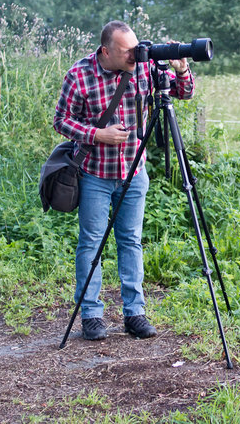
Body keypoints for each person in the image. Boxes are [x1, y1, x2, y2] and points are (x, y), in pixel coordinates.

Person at [53, 20, 194, 340]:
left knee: (130, 241)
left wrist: (182, 68)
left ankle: (135, 313)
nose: (135, 54)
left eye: (135, 48)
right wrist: (97, 134)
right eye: (126, 50)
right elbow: (60, 121)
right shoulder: (80, 75)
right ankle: (91, 315)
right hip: (94, 173)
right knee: (91, 243)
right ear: (105, 51)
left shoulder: (144, 68)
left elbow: (182, 93)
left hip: (134, 172)